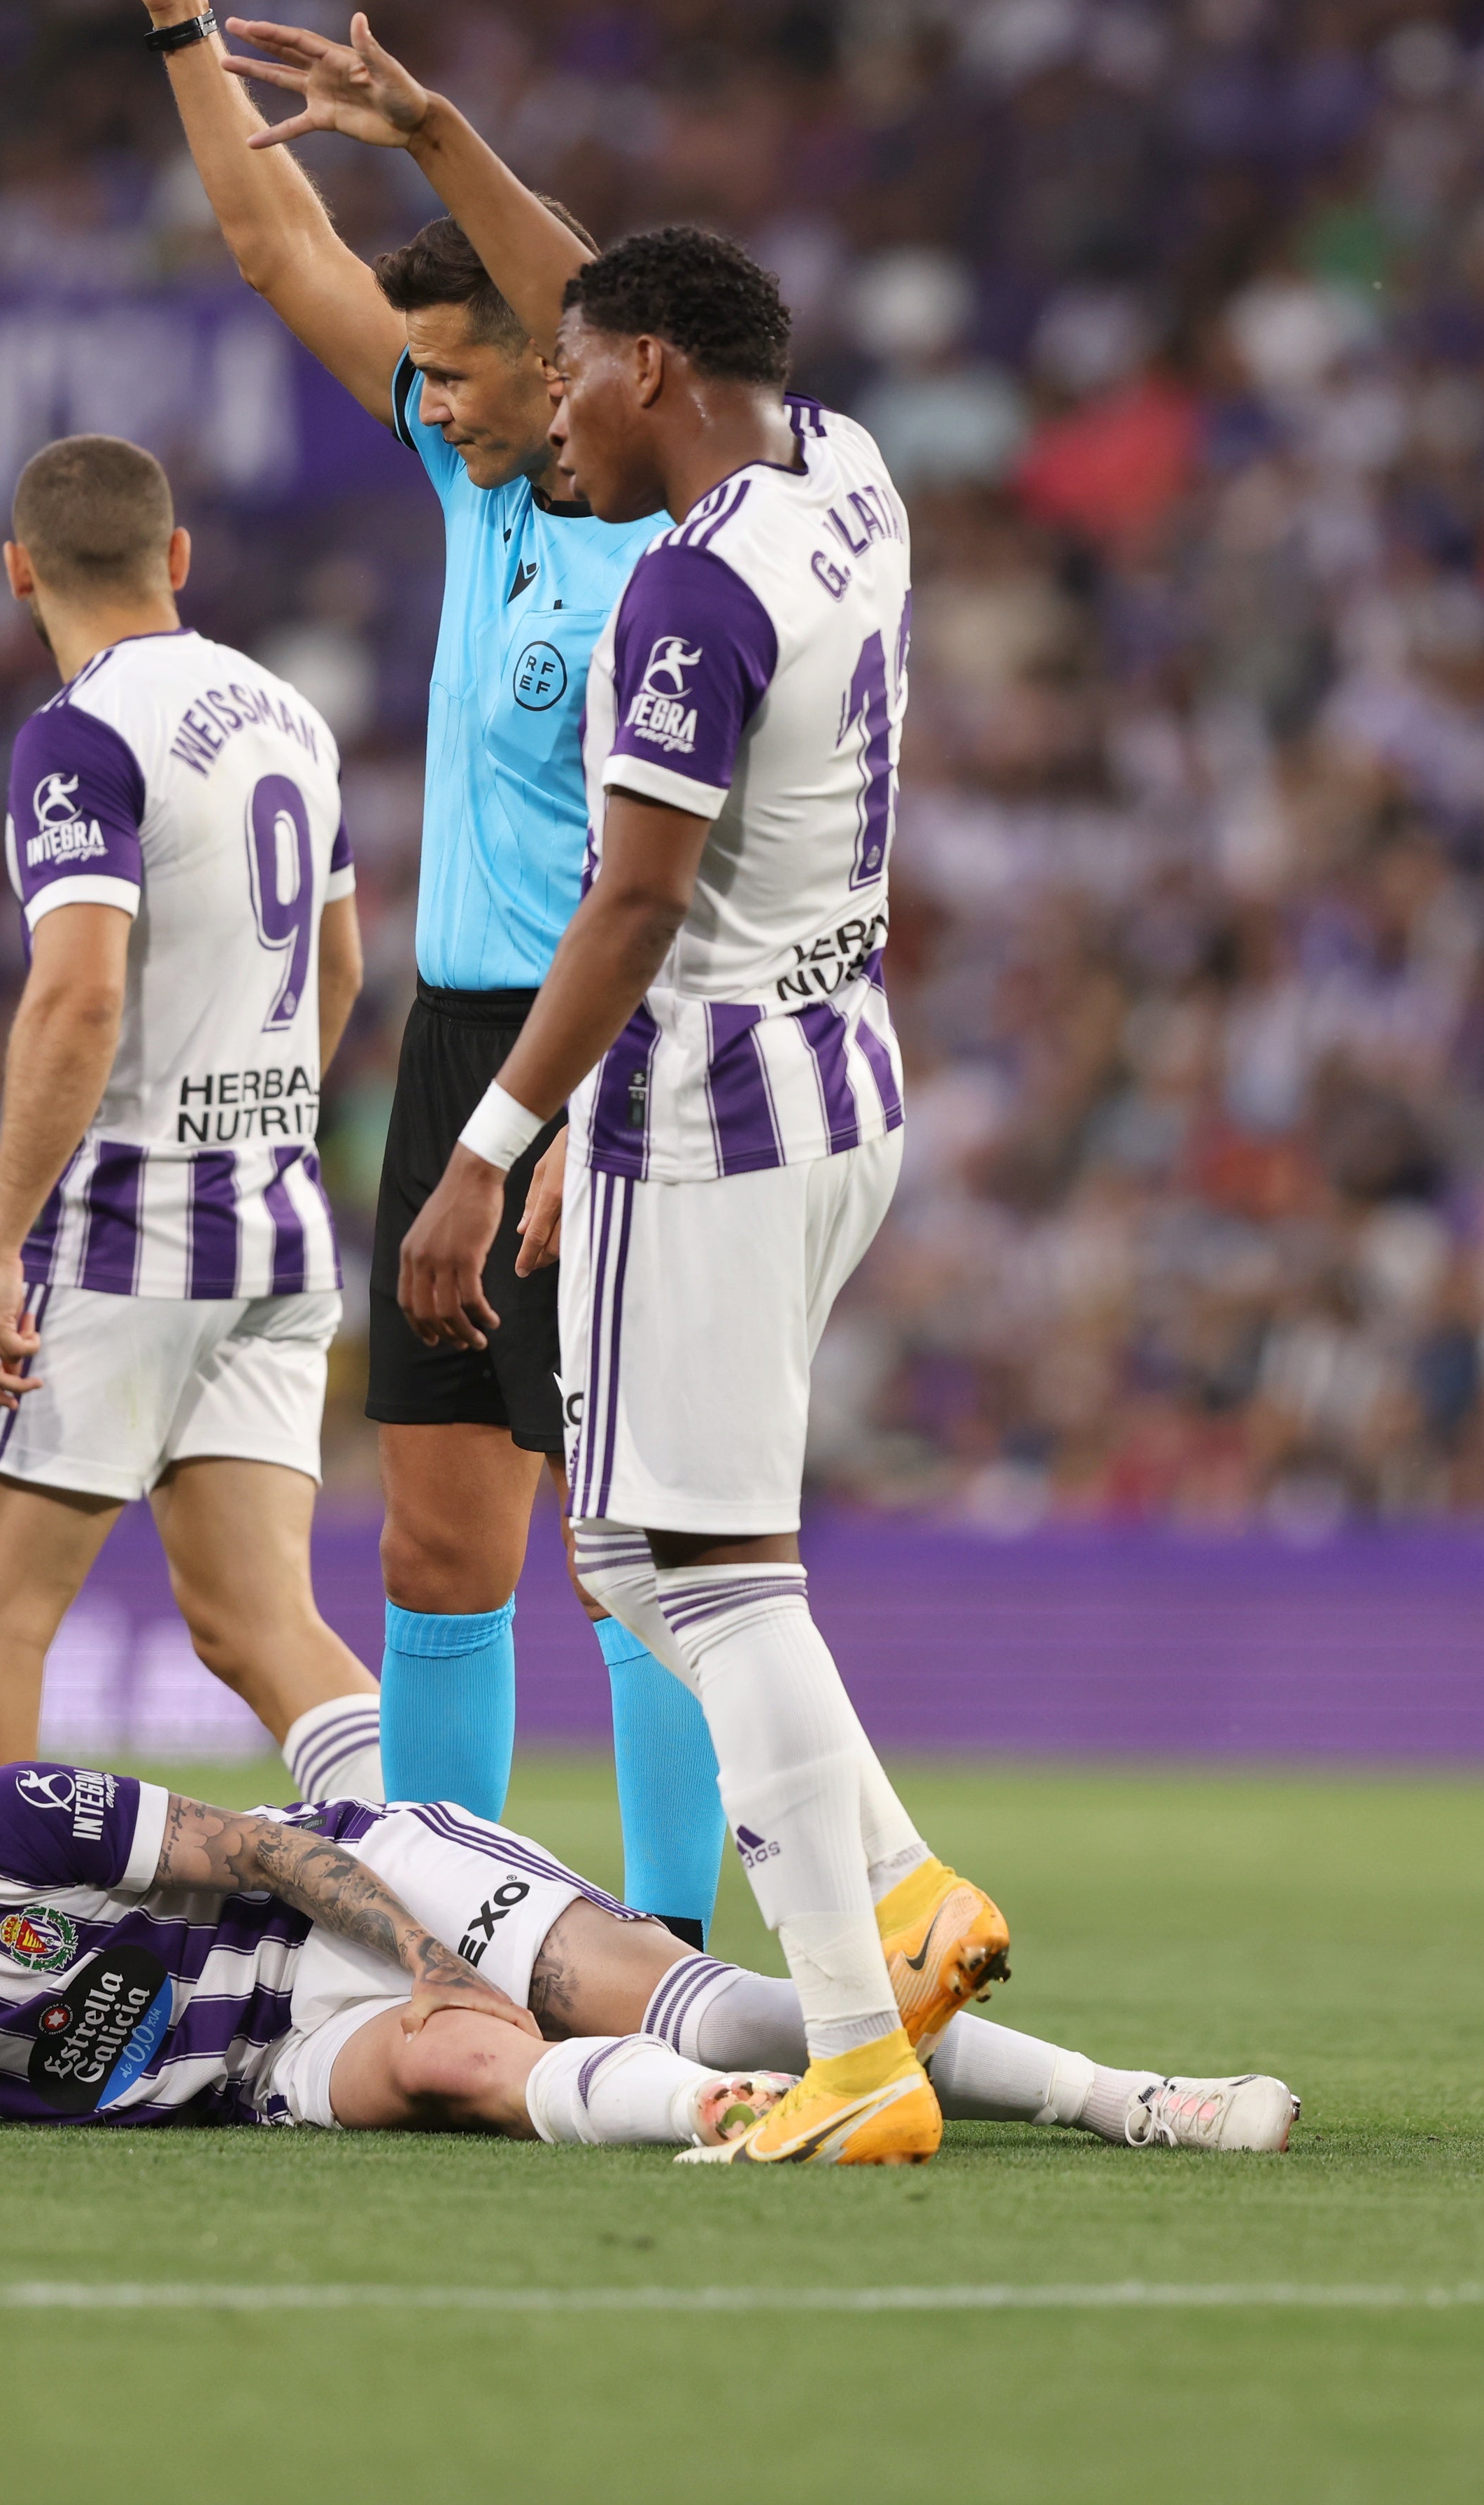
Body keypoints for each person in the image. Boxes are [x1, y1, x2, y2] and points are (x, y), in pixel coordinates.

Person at [118, 0, 720, 1927]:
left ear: (560, 375)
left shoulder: (667, 528)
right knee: (439, 1544)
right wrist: (187, 24)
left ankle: (666, 1945)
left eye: (460, 369)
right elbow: (274, 237)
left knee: (643, 1542)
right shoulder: (473, 491)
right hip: (461, 1032)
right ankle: (458, 1928)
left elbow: (573, 301)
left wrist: (448, 133)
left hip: (609, 1041)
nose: (428, 398)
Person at [398, 227, 984, 2166]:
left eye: (569, 362)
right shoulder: (844, 468)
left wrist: (489, 1146)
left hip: (713, 1105)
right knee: (641, 1557)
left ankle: (854, 2050)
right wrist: (428, 137)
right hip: (846, 1076)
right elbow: (616, 278)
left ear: (647, 368)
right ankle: (900, 1895)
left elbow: (636, 895)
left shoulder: (685, 595)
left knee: (709, 1570)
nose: (547, 394)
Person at [0, 1760, 1295, 2157]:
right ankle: (750, 2120)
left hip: (364, 1890)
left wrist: (423, 1942)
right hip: (270, 2065)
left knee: (674, 1984)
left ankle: (1135, 2099)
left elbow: (254, 1848)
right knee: (449, 2067)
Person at [0, 436, 388, 1821]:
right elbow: (341, 970)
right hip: (277, 1228)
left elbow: (78, 993)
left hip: (121, 1229)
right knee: (259, 1625)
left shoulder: (79, 733)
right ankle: (450, 1899)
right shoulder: (290, 712)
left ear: (17, 573)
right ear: (177, 559)